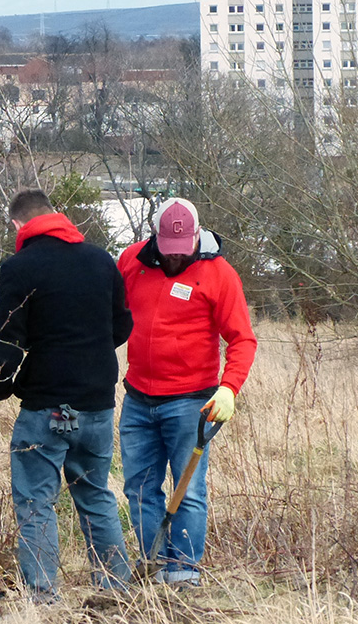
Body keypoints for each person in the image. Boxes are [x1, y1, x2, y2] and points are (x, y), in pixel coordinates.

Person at [0, 189, 133, 603]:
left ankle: (42, 598)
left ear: (18, 225)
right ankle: (115, 590)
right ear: (56, 216)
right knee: (95, 494)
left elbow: (7, 345)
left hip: (48, 408)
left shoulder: (20, 268)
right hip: (96, 404)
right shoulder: (100, 260)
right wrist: (84, 356)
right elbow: (122, 327)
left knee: (36, 501)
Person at [117, 197, 257, 587]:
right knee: (139, 490)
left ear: (197, 236)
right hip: (138, 399)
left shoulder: (219, 275)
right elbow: (108, 312)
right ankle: (154, 565)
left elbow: (242, 339)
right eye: (168, 251)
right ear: (155, 237)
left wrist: (229, 388)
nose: (175, 259)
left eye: (182, 251)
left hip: (190, 402)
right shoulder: (132, 262)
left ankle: (183, 573)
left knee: (188, 490)